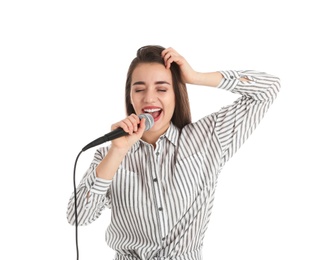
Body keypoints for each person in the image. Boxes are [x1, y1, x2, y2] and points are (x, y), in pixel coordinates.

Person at [67, 45, 281, 260]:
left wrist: (195, 77)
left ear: (177, 94)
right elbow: (78, 217)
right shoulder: (109, 156)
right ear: (130, 97)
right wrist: (117, 152)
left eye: (162, 89)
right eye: (139, 89)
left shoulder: (207, 139)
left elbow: (268, 88)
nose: (149, 99)